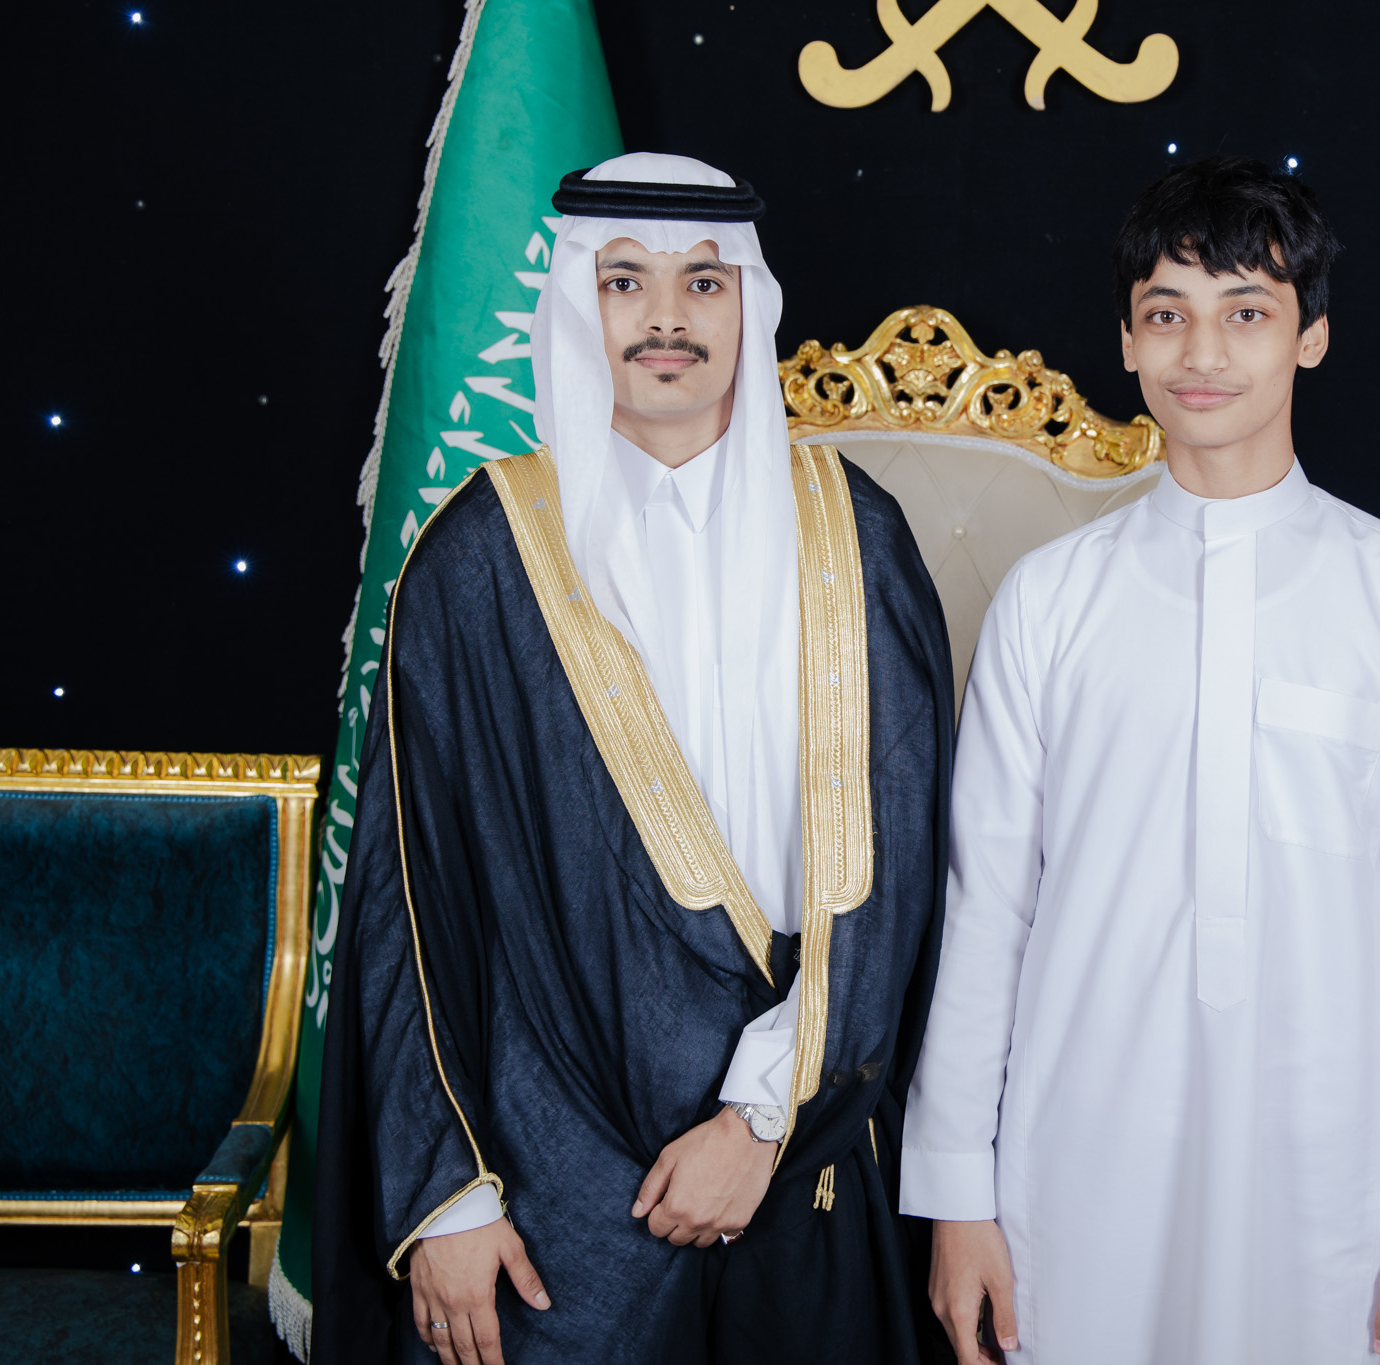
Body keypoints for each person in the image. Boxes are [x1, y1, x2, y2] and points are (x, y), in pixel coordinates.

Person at [313, 153, 954, 1365]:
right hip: (549, 1158)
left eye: (702, 281)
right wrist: (447, 1192)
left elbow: (905, 855)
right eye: (623, 281)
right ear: (573, 305)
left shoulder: (853, 531)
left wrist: (761, 1119)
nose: (666, 316)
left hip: (803, 1134)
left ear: (748, 304)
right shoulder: (481, 555)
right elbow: (409, 896)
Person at [901, 154, 1380, 1365]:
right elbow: (987, 911)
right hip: (1073, 1158)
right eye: (1166, 315)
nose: (1201, 353)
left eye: (1245, 313)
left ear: (1311, 336)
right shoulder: (1049, 601)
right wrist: (955, 1194)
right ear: (1125, 341)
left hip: (1332, 1170)